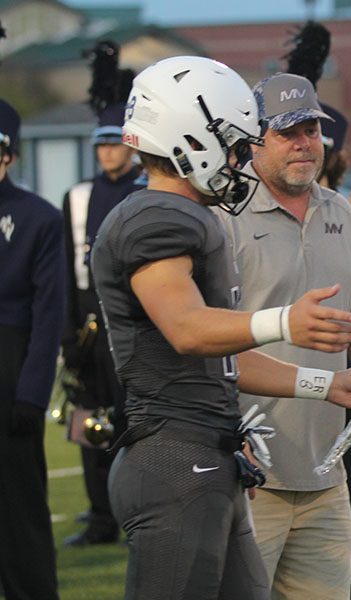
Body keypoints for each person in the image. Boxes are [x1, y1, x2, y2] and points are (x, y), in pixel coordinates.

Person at [90, 56, 351, 600]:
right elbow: (188, 329)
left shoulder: (186, 215)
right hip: (175, 459)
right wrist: (285, 322)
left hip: (211, 455)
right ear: (189, 140)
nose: (237, 159)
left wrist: (326, 384)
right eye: (231, 144)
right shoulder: (157, 218)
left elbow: (222, 359)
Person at [214, 70, 351, 600]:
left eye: (311, 129)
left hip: (327, 471)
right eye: (289, 132)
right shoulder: (223, 218)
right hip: (248, 467)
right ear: (254, 138)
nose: (305, 143)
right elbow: (210, 346)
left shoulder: (342, 214)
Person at [60, 40, 144, 547]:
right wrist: (69, 336)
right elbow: (68, 271)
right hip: (88, 323)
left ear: (131, 144)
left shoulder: (145, 189)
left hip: (133, 319)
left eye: (115, 142)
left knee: (134, 422)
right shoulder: (77, 195)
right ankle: (98, 514)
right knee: (87, 423)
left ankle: (132, 509)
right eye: (100, 144)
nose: (107, 151)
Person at [0, 98, 64, 600]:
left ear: (10, 156)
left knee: (19, 510)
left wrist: (32, 396)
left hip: (11, 371)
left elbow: (49, 316)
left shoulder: (38, 217)